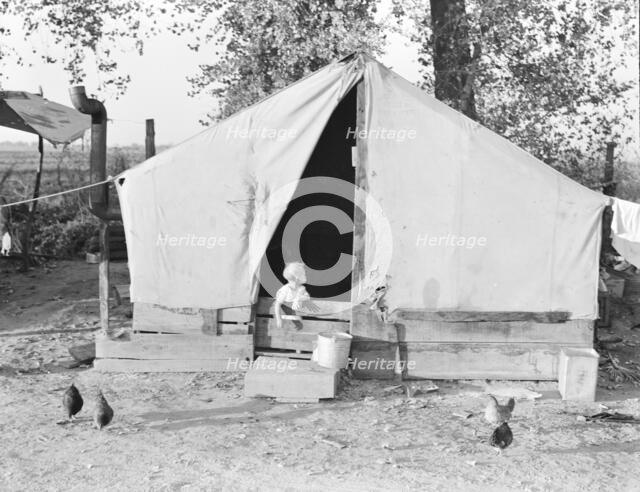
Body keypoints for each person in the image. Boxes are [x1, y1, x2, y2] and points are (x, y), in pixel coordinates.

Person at [274, 262, 312, 329]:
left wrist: (298, 299)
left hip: (298, 318)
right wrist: (278, 319)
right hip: (287, 321)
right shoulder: (285, 290)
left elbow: (307, 297)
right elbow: (277, 304)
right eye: (303, 274)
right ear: (297, 278)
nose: (305, 275)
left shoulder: (301, 288)